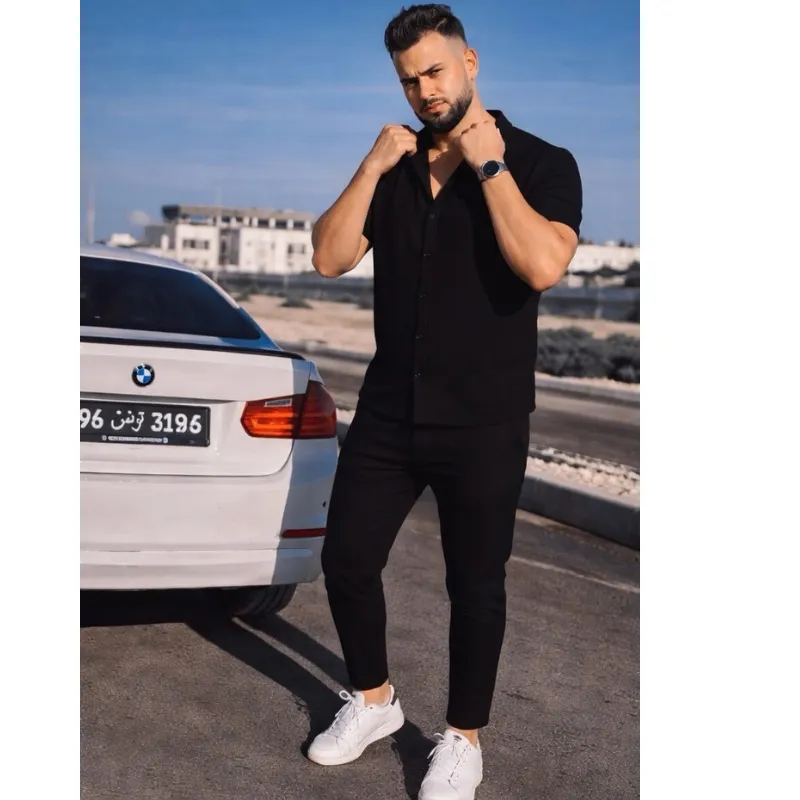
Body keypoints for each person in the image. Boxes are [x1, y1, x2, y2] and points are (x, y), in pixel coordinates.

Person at [306, 4, 582, 798]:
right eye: (408, 79)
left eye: (434, 70)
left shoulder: (541, 162)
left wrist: (491, 168)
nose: (424, 90)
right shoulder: (394, 167)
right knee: (346, 559)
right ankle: (374, 702)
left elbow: (542, 266)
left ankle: (462, 739)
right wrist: (369, 166)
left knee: (476, 585)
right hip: (390, 409)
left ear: (470, 62)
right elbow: (328, 257)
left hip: (486, 417)